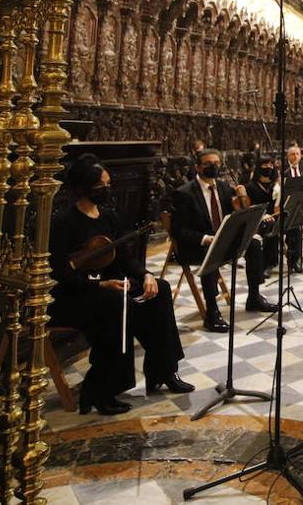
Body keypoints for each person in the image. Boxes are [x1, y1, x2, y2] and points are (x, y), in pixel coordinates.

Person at [48, 155, 193, 415]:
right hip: (75, 294)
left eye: (108, 183)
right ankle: (102, 388)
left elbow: (125, 259)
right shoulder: (64, 222)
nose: (107, 188)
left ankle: (163, 371)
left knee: (159, 290)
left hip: (109, 287)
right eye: (101, 185)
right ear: (85, 187)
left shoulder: (109, 217)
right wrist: (101, 286)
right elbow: (60, 273)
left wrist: (146, 274)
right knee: (117, 303)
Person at [169, 148, 275, 329]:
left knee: (255, 243)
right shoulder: (184, 193)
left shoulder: (224, 187)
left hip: (223, 239)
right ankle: (212, 312)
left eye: (217, 164)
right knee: (210, 251)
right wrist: (205, 238)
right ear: (198, 167)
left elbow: (234, 215)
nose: (214, 167)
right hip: (198, 244)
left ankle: (254, 297)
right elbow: (178, 230)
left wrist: (243, 201)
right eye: (208, 164)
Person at [244, 154, 303, 278]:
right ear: (259, 168)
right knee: (270, 226)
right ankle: (269, 264)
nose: (268, 167)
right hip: (259, 219)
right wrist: (262, 216)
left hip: (276, 215)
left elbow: (281, 205)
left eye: (271, 164)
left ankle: (294, 260)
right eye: (265, 165)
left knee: (294, 224)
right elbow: (249, 208)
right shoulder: (251, 186)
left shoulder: (276, 185)